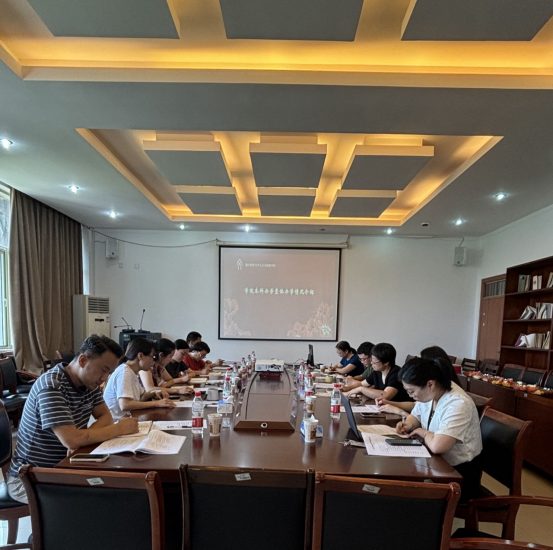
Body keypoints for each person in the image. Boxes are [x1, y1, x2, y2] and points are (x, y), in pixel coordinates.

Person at [6, 335, 139, 503]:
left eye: (109, 373)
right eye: (103, 370)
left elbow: (105, 417)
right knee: (99, 501)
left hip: (65, 467)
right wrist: (119, 429)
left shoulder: (89, 384)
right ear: (83, 360)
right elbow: (71, 440)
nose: (105, 378)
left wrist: (80, 439)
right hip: (30, 478)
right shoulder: (52, 386)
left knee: (118, 489)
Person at [396, 357, 482, 501]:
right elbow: (416, 415)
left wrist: (422, 432)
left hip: (458, 474)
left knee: (403, 493)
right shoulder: (432, 392)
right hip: (435, 464)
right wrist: (408, 425)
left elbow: (438, 446)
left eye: (411, 391)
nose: (411, 396)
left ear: (430, 384)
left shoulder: (458, 403)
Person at [104, 337, 178, 419]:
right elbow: (125, 405)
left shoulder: (133, 372)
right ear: (140, 356)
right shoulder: (124, 372)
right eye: (152, 357)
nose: (153, 361)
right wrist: (157, 403)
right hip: (117, 422)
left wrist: (153, 393)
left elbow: (142, 397)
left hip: (129, 418)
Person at [377, 346, 460, 414]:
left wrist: (398, 411)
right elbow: (416, 405)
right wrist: (389, 403)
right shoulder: (433, 389)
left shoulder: (452, 399)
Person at [344, 343, 411, 402]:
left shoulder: (396, 373)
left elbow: (386, 395)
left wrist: (361, 389)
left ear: (386, 362)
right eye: (371, 360)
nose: (371, 363)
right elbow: (362, 384)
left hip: (400, 409)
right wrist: (346, 388)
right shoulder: (377, 372)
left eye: (374, 362)